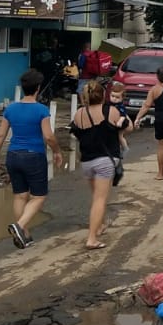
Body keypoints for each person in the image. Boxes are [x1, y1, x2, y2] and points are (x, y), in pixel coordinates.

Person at [0, 69, 65, 249]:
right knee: (38, 197)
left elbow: (0, 135)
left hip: (13, 156)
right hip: (34, 156)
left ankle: (25, 235)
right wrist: (57, 151)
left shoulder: (11, 109)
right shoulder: (41, 110)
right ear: (38, 88)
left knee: (20, 196)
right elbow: (49, 136)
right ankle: (20, 226)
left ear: (23, 88)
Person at [69, 80, 127, 250]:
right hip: (105, 160)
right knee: (100, 199)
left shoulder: (79, 113)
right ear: (103, 96)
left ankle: (100, 226)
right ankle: (92, 238)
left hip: (86, 161)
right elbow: (125, 127)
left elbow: (76, 132)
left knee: (96, 197)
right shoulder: (111, 111)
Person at [107, 81, 132, 154]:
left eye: (117, 97)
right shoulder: (109, 104)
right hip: (115, 124)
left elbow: (123, 115)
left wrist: (120, 122)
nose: (114, 99)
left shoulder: (120, 106)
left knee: (120, 136)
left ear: (122, 98)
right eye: (112, 96)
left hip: (121, 124)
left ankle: (125, 148)